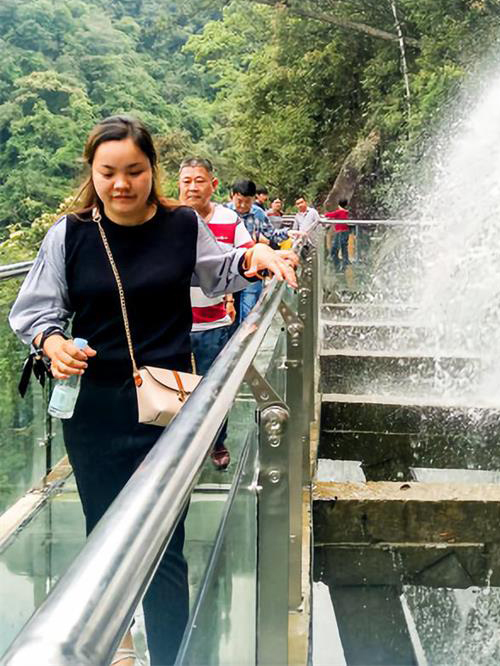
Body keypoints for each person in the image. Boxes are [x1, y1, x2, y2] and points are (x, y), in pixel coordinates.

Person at [8, 115, 297, 666]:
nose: (121, 184)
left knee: (166, 544)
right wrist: (52, 343)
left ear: (151, 172)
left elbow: (221, 270)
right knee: (103, 536)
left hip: (167, 411)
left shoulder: (181, 227)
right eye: (108, 172)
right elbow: (36, 309)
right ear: (91, 172)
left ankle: (168, 656)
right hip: (94, 411)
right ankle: (114, 648)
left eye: (134, 171)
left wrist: (258, 256)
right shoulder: (69, 235)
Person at [178, 156, 253, 470]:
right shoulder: (168, 218)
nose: (192, 186)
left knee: (213, 387)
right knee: (177, 389)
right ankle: (179, 447)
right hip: (174, 325)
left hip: (214, 322)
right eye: (186, 181)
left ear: (213, 184)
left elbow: (246, 255)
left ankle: (216, 440)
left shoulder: (229, 220)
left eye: (199, 180)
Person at [228, 179, 289, 326]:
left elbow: (271, 234)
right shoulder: (224, 213)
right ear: (232, 196)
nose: (242, 206)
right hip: (229, 271)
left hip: (252, 270)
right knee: (230, 316)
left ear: (254, 199)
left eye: (247, 202)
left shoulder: (258, 214)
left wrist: (289, 233)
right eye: (239, 201)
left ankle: (245, 344)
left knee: (250, 313)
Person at [325, 198, 351, 270]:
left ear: (339, 204)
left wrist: (324, 215)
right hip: (346, 231)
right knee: (344, 246)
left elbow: (328, 215)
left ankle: (335, 262)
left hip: (340, 232)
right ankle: (345, 261)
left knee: (335, 247)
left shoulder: (339, 212)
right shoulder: (346, 212)